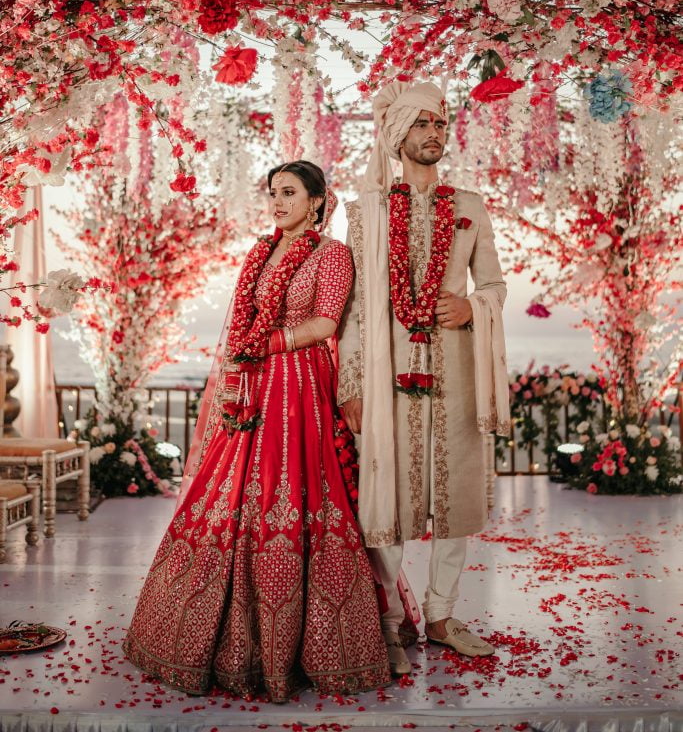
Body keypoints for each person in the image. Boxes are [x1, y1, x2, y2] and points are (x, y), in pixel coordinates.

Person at [123, 160, 390, 701]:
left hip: (299, 390)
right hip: (253, 390)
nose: (278, 202)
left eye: (289, 193)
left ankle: (307, 646)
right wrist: (242, 364)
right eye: (273, 193)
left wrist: (269, 346)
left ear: (318, 200)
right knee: (229, 494)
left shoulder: (331, 254)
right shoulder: (260, 253)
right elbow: (243, 324)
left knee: (289, 491)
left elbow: (326, 323)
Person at [337, 82, 510, 676]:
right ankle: (389, 622)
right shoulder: (365, 212)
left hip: (454, 372)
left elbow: (493, 285)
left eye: (441, 124)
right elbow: (355, 306)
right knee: (386, 492)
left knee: (454, 494)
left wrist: (473, 307)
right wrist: (351, 384)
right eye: (423, 125)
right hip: (388, 376)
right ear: (398, 135)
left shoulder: (470, 206)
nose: (435, 134)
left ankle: (440, 616)